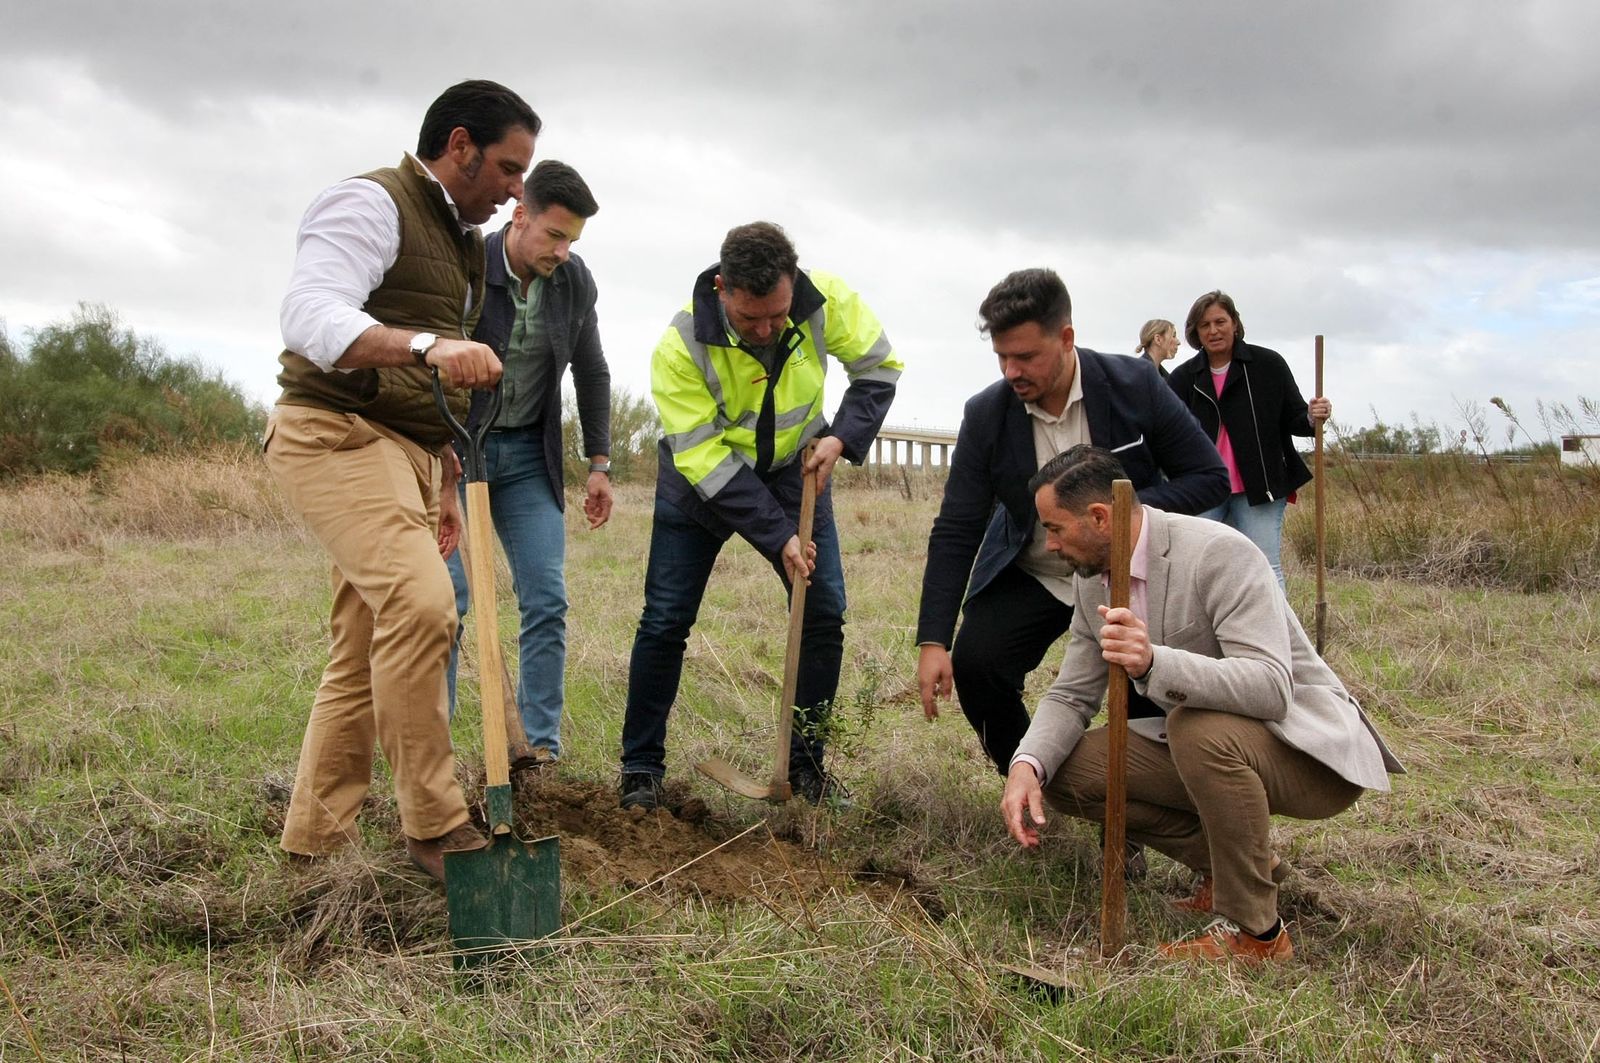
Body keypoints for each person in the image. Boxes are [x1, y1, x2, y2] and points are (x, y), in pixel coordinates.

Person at [265, 80, 539, 882]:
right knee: (425, 607)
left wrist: (445, 471)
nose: (518, 190)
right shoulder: (368, 203)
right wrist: (427, 347)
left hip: (410, 455)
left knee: (361, 647)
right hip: (337, 436)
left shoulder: (458, 238)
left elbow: (428, 379)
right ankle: (434, 821)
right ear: (460, 146)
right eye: (510, 169)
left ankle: (313, 846)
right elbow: (310, 317)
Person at [1001, 444, 1402, 963]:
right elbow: (1073, 691)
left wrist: (1152, 663)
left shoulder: (1219, 553)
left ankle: (1257, 935)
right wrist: (1026, 766)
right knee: (1068, 771)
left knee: (1196, 728)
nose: (1049, 544)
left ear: (1100, 517)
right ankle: (1231, 868)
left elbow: (1271, 687)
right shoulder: (1092, 580)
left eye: (1055, 528)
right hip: (1208, 747)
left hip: (1308, 752)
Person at [619, 221, 902, 809]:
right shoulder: (680, 345)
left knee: (823, 615)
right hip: (703, 485)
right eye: (751, 320)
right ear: (722, 289)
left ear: (793, 283)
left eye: (778, 313)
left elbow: (880, 368)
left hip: (795, 473)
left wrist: (842, 439)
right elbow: (704, 459)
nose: (768, 329)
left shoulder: (823, 302)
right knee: (666, 620)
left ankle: (806, 769)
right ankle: (641, 770)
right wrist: (779, 538)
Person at [916, 268, 1229, 776]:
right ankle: (1039, 783)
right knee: (978, 664)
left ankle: (1133, 821)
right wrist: (934, 638)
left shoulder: (1135, 385)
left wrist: (1117, 516)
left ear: (1066, 339)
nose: (1012, 371)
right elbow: (957, 527)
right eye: (1002, 357)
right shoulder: (987, 415)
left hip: (1126, 573)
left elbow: (1209, 476)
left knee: (1145, 697)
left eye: (1026, 356)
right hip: (1039, 572)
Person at [444, 160, 611, 766]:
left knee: (546, 597)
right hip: (456, 455)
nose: (564, 252)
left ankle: (538, 750)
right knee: (450, 602)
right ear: (520, 217)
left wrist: (599, 462)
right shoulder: (466, 265)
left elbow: (591, 370)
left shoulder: (573, 282)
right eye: (555, 236)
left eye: (574, 241)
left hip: (526, 457)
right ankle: (436, 757)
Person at [1165, 290, 1331, 593]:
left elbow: (1295, 419)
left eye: (1220, 322)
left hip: (1260, 486)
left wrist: (1312, 416)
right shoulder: (1183, 377)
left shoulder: (1268, 365)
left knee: (1265, 567)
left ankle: (1277, 637)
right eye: (1205, 325)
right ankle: (1207, 636)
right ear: (1196, 333)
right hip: (1205, 489)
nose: (1214, 331)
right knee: (1193, 567)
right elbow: (1165, 432)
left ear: (1235, 324)